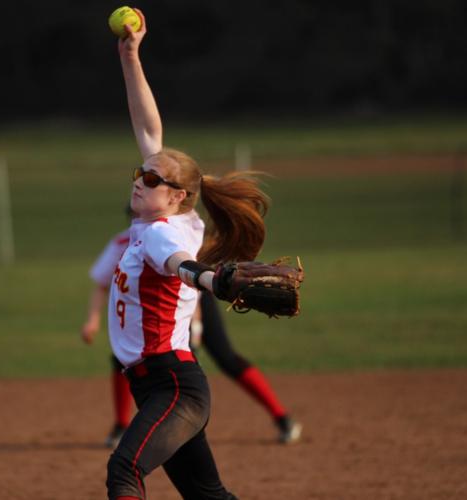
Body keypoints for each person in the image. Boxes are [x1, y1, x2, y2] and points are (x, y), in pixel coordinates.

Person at [104, 10, 275, 499]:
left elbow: (179, 264)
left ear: (178, 195)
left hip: (173, 386)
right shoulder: (166, 218)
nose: (141, 181)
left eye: (153, 180)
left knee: (124, 472)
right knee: (208, 497)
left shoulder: (161, 235)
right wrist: (131, 57)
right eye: (139, 174)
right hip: (158, 387)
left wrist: (212, 281)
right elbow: (148, 129)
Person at [82, 212, 302, 448]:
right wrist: (92, 320)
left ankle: (282, 417)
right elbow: (102, 283)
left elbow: (190, 279)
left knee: (225, 356)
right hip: (151, 308)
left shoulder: (171, 236)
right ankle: (121, 426)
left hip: (192, 297)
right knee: (123, 359)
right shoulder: (123, 243)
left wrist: (195, 326)